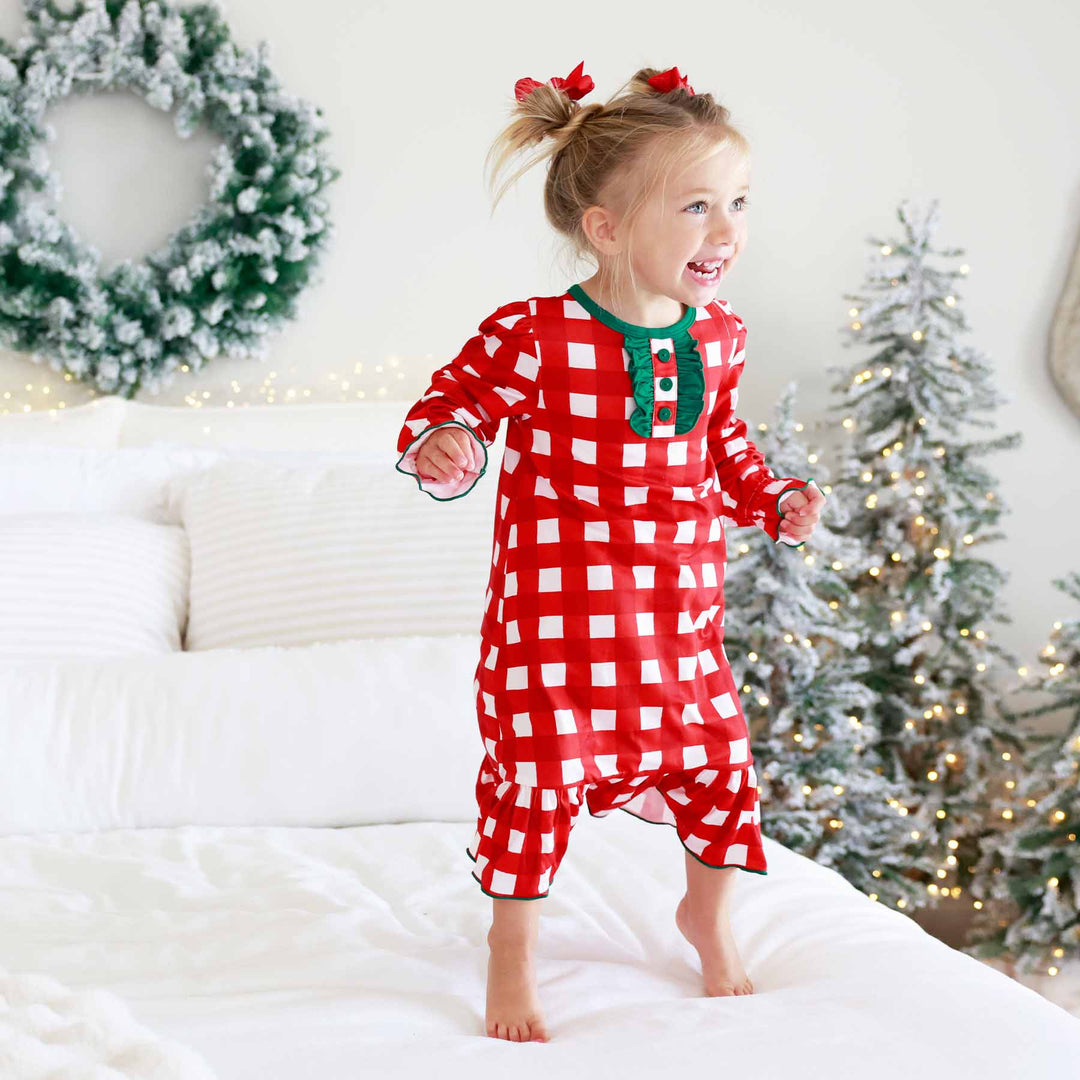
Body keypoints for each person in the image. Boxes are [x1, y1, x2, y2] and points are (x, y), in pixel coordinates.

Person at [394, 60, 826, 1043]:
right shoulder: (535, 336)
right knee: (535, 787)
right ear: (608, 227)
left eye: (739, 204)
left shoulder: (718, 338)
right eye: (698, 207)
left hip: (675, 623)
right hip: (557, 632)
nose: (728, 232)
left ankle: (706, 921)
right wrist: (447, 445)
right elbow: (451, 406)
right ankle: (512, 952)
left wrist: (771, 501)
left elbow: (723, 446)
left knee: (719, 768)